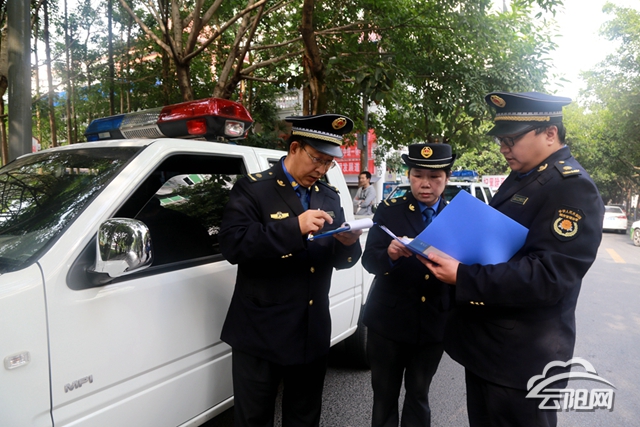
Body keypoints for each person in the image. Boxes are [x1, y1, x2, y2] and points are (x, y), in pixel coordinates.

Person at [421, 92, 605, 427]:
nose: (504, 149)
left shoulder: (572, 187)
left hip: (523, 361)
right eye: (501, 141)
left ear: (550, 133)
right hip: (491, 351)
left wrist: (463, 275)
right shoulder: (525, 175)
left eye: (512, 140)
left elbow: (549, 276)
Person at [218, 114, 363, 427]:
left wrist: (349, 244)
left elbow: (340, 259)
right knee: (253, 419)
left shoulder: (328, 195)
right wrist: (294, 227)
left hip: (310, 330)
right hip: (261, 331)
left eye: (329, 163)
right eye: (317, 159)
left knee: (304, 417)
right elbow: (233, 245)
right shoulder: (253, 189)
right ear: (295, 147)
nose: (322, 169)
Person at [362, 143, 456, 427]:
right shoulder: (390, 211)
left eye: (434, 177)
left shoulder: (457, 218)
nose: (425, 184)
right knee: (384, 398)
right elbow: (370, 261)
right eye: (417, 176)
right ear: (409, 175)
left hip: (433, 323)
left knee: (419, 395)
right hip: (388, 322)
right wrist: (390, 254)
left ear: (447, 178)